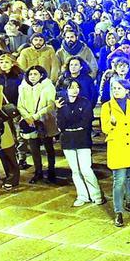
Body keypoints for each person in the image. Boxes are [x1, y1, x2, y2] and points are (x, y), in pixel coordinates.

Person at [101, 78, 130, 228]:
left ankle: (129, 203)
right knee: (119, 181)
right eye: (114, 88)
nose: (116, 90)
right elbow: (105, 129)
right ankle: (118, 212)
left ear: (127, 90)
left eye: (119, 88)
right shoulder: (107, 106)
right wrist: (112, 123)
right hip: (118, 147)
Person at [55, 78, 102, 206]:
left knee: (86, 169)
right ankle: (82, 195)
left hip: (82, 139)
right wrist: (59, 110)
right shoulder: (61, 105)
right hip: (68, 140)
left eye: (77, 87)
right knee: (75, 170)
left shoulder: (84, 102)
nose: (75, 90)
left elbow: (86, 121)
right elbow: (61, 125)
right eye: (71, 87)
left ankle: (96, 194)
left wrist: (72, 126)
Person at [17, 65, 59, 183]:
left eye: (35, 74)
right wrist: (27, 117)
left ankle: (51, 171)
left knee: (48, 147)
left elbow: (50, 105)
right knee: (34, 148)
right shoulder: (23, 87)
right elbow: (20, 105)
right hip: (29, 122)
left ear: (41, 75)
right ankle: (38, 171)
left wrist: (35, 116)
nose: (32, 76)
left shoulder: (48, 86)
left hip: (45, 120)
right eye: (30, 74)